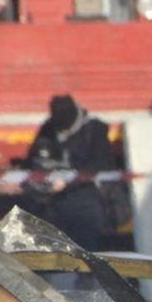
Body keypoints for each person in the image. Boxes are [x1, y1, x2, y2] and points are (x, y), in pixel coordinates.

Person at [27, 94, 118, 249]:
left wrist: (68, 181)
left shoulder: (94, 130)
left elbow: (100, 165)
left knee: (89, 246)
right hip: (55, 200)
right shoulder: (48, 129)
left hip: (88, 198)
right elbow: (34, 158)